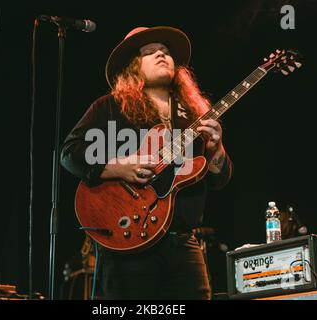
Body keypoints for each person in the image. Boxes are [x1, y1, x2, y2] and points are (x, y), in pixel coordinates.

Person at [60, 26, 233, 299]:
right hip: (126, 240)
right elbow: (70, 153)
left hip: (183, 241)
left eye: (165, 51)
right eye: (150, 53)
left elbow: (217, 180)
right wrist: (119, 167)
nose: (161, 55)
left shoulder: (193, 115)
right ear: (133, 67)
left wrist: (216, 148)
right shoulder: (110, 107)